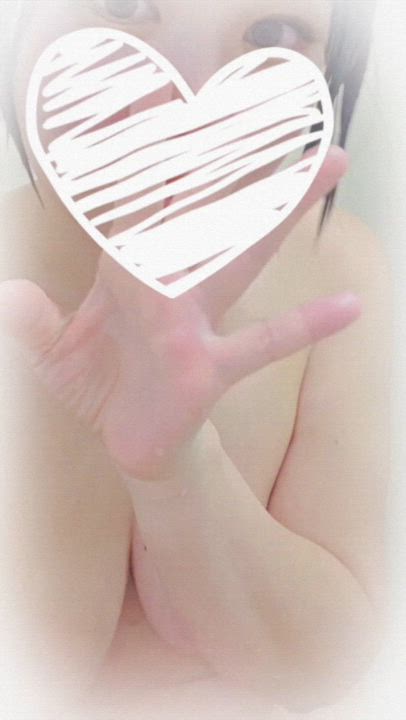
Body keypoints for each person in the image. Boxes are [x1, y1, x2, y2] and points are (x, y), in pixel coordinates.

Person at [0, 0, 392, 717]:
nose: (184, 97)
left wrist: (176, 468)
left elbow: (324, 671)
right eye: (124, 5)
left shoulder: (340, 274)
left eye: (271, 33)